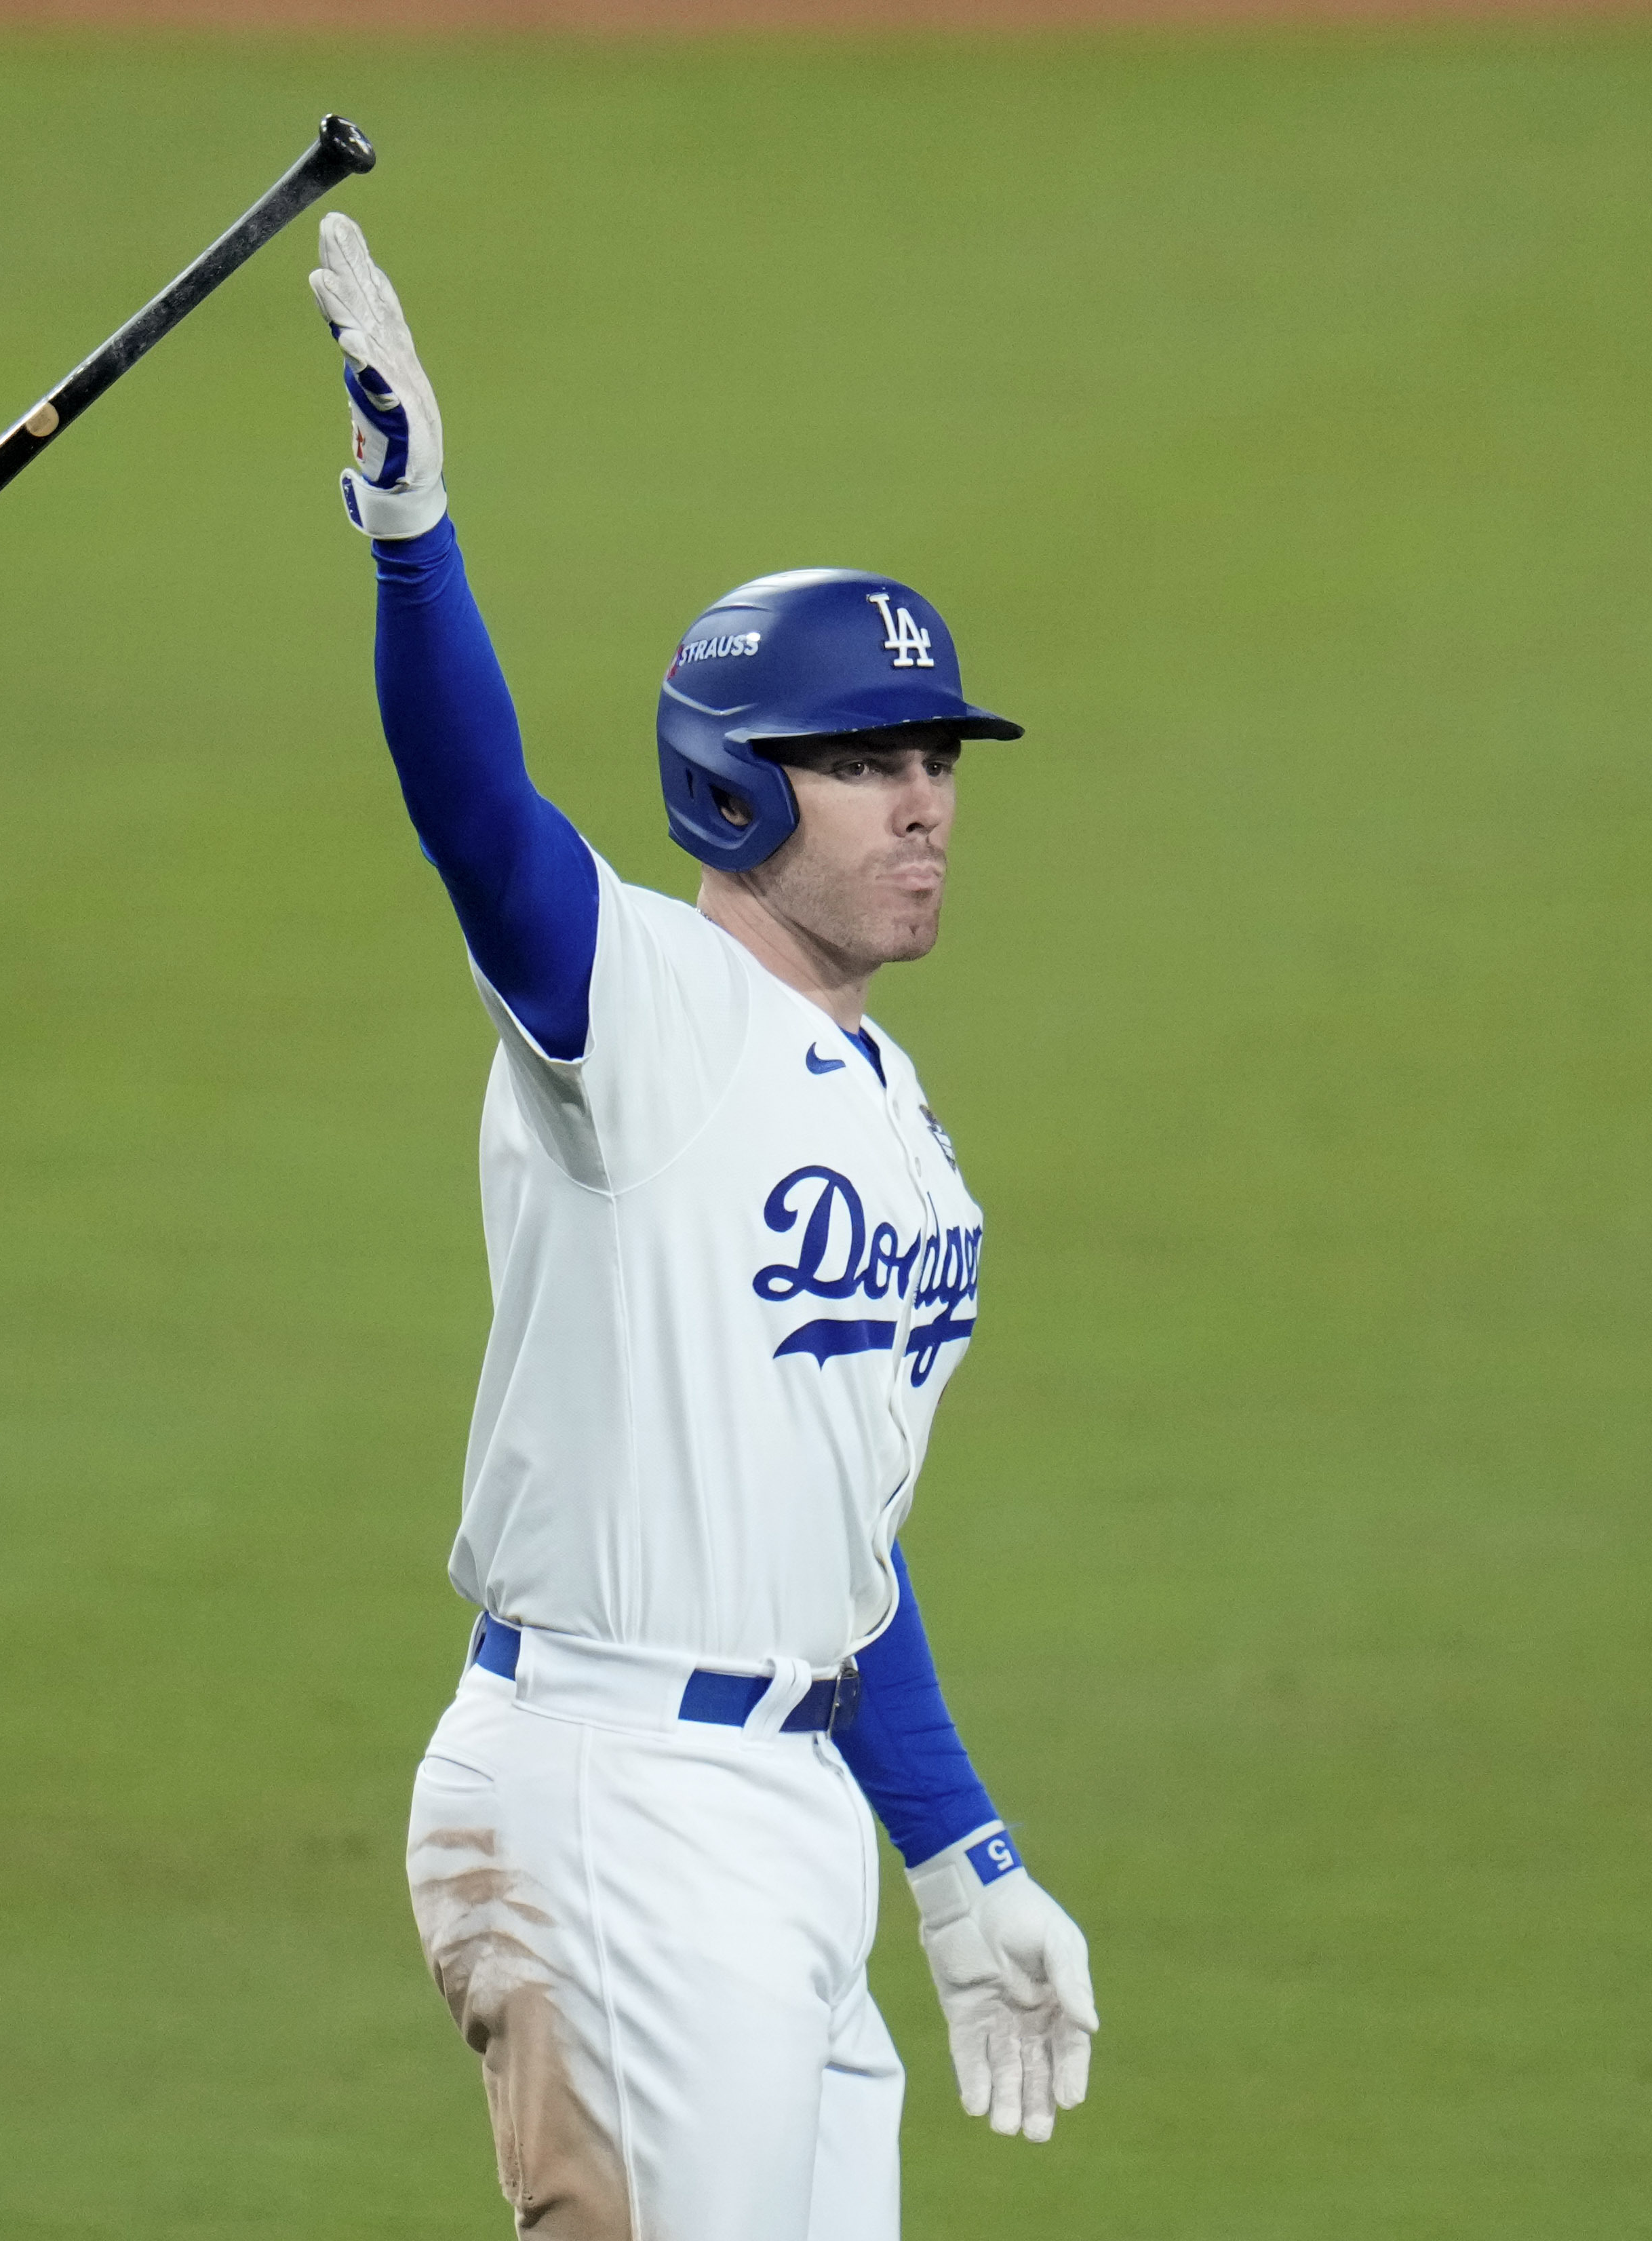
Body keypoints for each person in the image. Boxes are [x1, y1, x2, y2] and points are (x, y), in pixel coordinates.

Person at [310, 212, 1095, 2241]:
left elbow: (833, 1534)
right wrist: (416, 540)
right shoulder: (640, 1014)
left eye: (934, 761)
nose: (921, 804)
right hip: (612, 1801)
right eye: (861, 767)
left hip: (788, 1809)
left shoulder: (892, 1114)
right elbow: (477, 819)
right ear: (734, 792)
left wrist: (957, 1855)